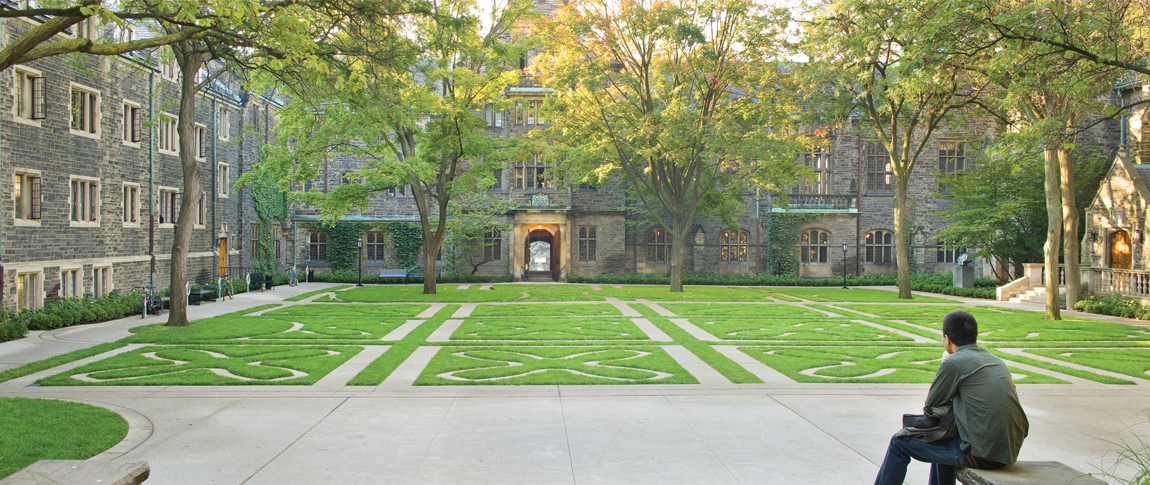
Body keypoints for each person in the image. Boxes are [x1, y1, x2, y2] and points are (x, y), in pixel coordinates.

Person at [874, 310, 1029, 485]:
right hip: (1008, 449)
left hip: (982, 454)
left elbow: (931, 407)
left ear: (947, 339)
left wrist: (944, 362)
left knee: (899, 443)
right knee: (942, 438)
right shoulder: (995, 360)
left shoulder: (953, 362)